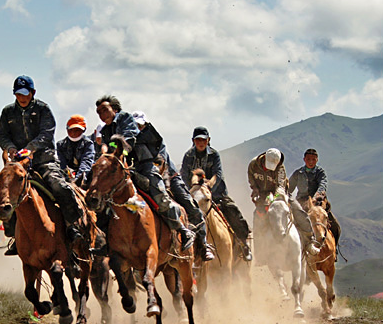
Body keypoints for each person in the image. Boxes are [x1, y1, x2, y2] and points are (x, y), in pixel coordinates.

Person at [0, 75, 85, 255]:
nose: (22, 98)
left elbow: (47, 134)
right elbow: (2, 135)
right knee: (4, 193)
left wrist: (30, 149)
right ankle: (14, 235)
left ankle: (72, 227)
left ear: (32, 92)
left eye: (25, 93)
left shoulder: (43, 109)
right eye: (18, 94)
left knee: (60, 187)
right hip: (18, 164)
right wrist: (11, 148)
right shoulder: (7, 112)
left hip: (44, 161)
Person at [95, 95, 195, 252]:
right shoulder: (106, 130)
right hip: (123, 169)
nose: (102, 114)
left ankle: (183, 229)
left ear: (114, 109)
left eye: (104, 110)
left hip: (143, 165)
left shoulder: (125, 118)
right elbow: (105, 149)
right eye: (98, 112)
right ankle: (106, 241)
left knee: (160, 195)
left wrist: (111, 148)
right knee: (102, 199)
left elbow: (127, 139)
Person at [132, 111, 214, 261]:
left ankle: (203, 245)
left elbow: (160, 163)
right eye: (135, 125)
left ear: (145, 126)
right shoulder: (131, 142)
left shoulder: (157, 142)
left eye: (140, 125)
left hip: (170, 178)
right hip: (143, 179)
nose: (138, 128)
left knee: (191, 206)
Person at [181, 126, 252, 261]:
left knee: (234, 213)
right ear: (193, 141)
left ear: (208, 140)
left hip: (216, 193)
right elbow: (184, 175)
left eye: (203, 140)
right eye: (198, 140)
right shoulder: (188, 156)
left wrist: (208, 186)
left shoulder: (214, 155)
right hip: (195, 194)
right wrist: (193, 188)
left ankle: (244, 245)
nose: (201, 143)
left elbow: (218, 174)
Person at [247, 148, 320, 256]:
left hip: (281, 194)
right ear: (264, 158)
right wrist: (255, 190)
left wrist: (276, 197)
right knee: (257, 217)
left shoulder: (280, 167)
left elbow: (281, 185)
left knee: (299, 211)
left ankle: (310, 241)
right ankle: (259, 252)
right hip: (262, 194)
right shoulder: (253, 164)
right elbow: (251, 179)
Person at [289, 148, 341, 251]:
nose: (311, 162)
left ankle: (334, 251)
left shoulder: (320, 172)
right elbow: (289, 187)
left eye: (313, 159)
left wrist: (316, 196)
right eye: (308, 159)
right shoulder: (298, 173)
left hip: (318, 203)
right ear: (304, 159)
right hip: (301, 204)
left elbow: (322, 184)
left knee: (335, 226)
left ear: (317, 160)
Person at [57, 114, 95, 186]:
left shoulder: (88, 144)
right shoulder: (61, 145)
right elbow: (62, 164)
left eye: (77, 130)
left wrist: (78, 179)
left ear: (83, 130)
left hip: (86, 177)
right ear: (67, 129)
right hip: (67, 177)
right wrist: (68, 179)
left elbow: (86, 162)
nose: (74, 133)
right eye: (71, 130)